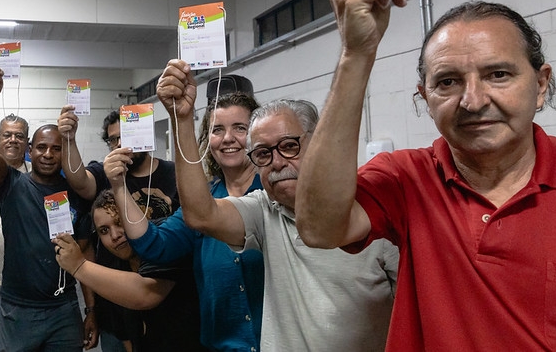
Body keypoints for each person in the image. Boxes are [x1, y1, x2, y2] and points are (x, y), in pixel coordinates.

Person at [297, 0, 556, 350]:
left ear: (541, 84)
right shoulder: (407, 178)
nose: (473, 101)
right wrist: (356, 54)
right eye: (448, 82)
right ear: (425, 97)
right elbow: (319, 228)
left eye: (498, 74)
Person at [156, 59, 397, 351]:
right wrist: (181, 120)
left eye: (289, 146)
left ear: (318, 145)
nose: (278, 162)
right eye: (263, 154)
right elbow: (201, 215)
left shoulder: (376, 213)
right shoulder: (265, 212)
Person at [116, 92, 265, 352]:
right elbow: (153, 245)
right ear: (208, 140)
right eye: (217, 130)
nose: (227, 138)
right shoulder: (203, 205)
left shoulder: (275, 194)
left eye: (240, 128)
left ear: (256, 136)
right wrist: (118, 186)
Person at [0, 66, 94, 352]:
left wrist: (91, 309)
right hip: (18, 309)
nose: (48, 154)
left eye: (56, 148)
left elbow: (86, 253)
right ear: (30, 150)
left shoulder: (75, 195)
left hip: (64, 307)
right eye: (42, 147)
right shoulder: (11, 184)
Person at [54, 190, 208, 352]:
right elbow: (127, 334)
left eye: (120, 222)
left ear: (139, 216)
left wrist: (79, 266)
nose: (115, 235)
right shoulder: (111, 267)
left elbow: (147, 294)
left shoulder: (165, 241)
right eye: (104, 230)